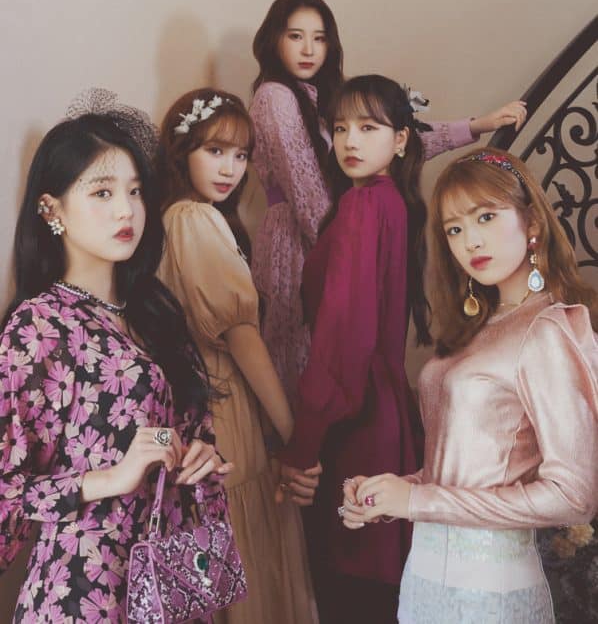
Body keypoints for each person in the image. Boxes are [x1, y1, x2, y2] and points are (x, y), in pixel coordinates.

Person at [342, 148, 598, 624]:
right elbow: (462, 471)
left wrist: (416, 500)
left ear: (531, 222)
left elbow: (574, 495)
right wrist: (390, 493)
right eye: (454, 229)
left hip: (491, 591)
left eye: (485, 217)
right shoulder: (475, 330)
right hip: (425, 581)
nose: (470, 241)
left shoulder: (548, 329)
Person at [0, 96, 231, 622]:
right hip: (83, 591)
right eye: (102, 192)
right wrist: (107, 479)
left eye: (135, 191)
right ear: (51, 209)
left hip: (166, 584)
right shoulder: (40, 325)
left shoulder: (156, 313)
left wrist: (198, 457)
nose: (126, 210)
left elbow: (179, 435)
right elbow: (7, 489)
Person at [249, 0, 528, 401]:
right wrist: (344, 245)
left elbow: (393, 145)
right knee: (304, 362)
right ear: (274, 39)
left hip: (337, 234)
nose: (309, 49)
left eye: (319, 38)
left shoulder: (326, 97)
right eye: (295, 36)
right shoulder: (274, 95)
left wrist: (474, 126)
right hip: (300, 242)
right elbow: (305, 189)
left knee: (346, 360)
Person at [156, 88, 319, 624]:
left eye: (241, 154)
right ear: (183, 153)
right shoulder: (193, 218)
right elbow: (242, 335)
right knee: (248, 561)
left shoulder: (180, 220)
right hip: (225, 414)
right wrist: (294, 434)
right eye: (215, 151)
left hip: (214, 410)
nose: (230, 168)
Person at [279, 75, 438, 623]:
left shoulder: (363, 205)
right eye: (341, 128)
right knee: (378, 595)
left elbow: (343, 338)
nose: (350, 140)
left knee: (351, 595)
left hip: (354, 421)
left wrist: (303, 447)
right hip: (382, 412)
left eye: (368, 128)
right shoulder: (392, 202)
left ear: (401, 139)